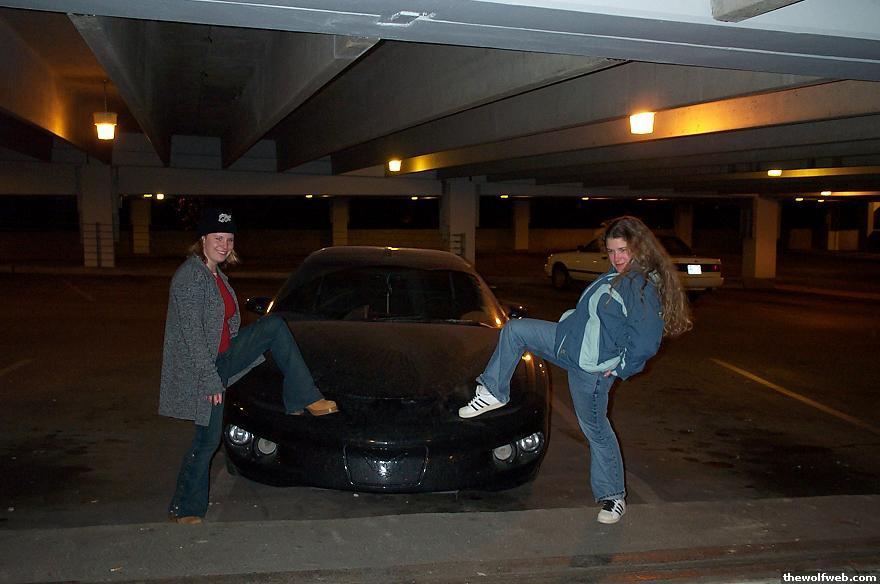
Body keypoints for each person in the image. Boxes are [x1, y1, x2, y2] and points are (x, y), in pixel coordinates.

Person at [459, 215, 691, 524]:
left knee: (595, 429)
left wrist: (621, 368)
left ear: (639, 247)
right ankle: (493, 392)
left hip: (590, 369)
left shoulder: (640, 285)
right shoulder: (618, 274)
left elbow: (646, 342)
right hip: (567, 342)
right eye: (611, 251)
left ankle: (613, 496)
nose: (617, 258)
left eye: (623, 251)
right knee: (515, 330)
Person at [159, 209, 338, 525]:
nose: (224, 245)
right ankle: (184, 508)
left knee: (274, 326)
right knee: (207, 441)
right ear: (202, 239)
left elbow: (223, 326)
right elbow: (192, 334)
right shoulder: (190, 277)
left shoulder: (216, 275)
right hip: (205, 368)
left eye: (229, 239)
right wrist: (209, 379)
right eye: (218, 238)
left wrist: (237, 345)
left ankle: (303, 398)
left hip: (223, 356)